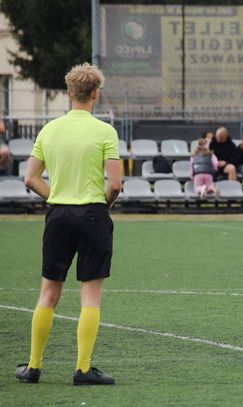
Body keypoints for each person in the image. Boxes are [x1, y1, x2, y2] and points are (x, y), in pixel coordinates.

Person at [16, 63, 120, 385]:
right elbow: (115, 184)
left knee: (48, 292)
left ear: (69, 92)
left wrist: (57, 198)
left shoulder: (49, 130)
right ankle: (83, 369)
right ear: (95, 93)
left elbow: (30, 178)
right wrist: (103, 206)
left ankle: (33, 367)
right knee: (90, 295)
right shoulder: (105, 131)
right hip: (93, 215)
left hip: (58, 216)